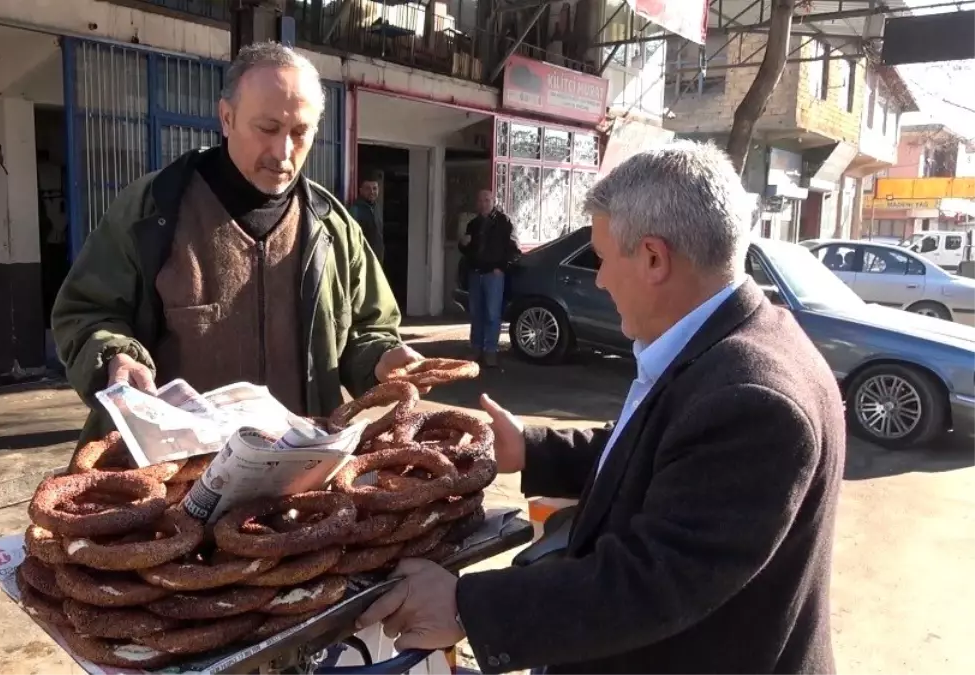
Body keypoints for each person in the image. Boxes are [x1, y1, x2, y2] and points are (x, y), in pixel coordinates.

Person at [356, 142, 846, 675]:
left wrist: (466, 606)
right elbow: (658, 453)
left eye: (604, 259)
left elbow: (652, 583)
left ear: (654, 258)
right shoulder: (727, 345)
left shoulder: (754, 399)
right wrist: (533, 449)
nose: (599, 280)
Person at [51, 41, 424, 448]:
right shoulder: (152, 211)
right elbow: (88, 312)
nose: (283, 153)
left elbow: (369, 328)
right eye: (267, 129)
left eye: (300, 133)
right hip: (175, 475)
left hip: (300, 472)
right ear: (226, 117)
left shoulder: (333, 227)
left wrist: (382, 359)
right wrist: (114, 357)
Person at [458, 189, 520, 367]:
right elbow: (466, 250)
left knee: (492, 314)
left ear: (493, 201)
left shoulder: (504, 222)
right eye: (480, 200)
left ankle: (490, 351)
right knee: (476, 313)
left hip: (493, 275)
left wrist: (501, 267)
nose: (484, 203)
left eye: (487, 200)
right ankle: (476, 348)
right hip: (475, 273)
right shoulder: (473, 224)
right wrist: (463, 245)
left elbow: (514, 248)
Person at [349, 177, 384, 263]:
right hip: (364, 259)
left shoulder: (377, 207)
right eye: (368, 188)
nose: (372, 192)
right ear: (361, 190)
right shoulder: (355, 209)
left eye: (374, 188)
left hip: (377, 258)